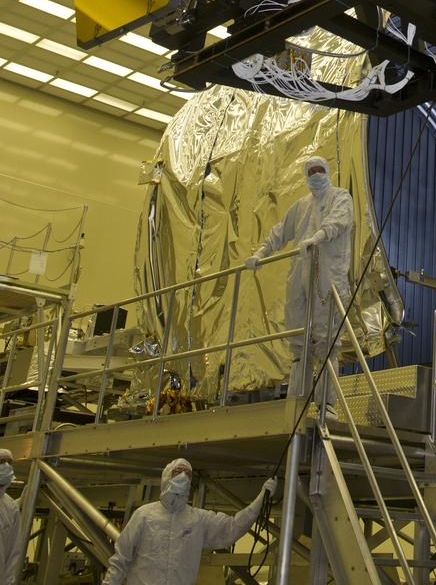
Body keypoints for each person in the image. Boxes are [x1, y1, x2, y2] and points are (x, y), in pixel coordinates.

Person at [246, 156, 354, 410]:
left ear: (327, 172)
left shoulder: (341, 197)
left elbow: (339, 221)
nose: (316, 175)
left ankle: (326, 403)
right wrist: (261, 253)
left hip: (328, 275)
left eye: (320, 170)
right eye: (311, 171)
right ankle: (297, 401)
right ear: (306, 176)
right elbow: (280, 231)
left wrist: (319, 236)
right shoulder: (301, 206)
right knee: (299, 337)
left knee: (326, 338)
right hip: (300, 275)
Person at [104, 457, 276, 584]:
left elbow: (232, 528)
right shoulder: (144, 515)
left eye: (187, 474)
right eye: (178, 472)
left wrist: (260, 501)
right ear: (166, 477)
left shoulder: (198, 520)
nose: (183, 477)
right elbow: (120, 560)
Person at [0, 449, 19, 585]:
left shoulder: (10, 506)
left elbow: (13, 552)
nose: (6, 466)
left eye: (9, 462)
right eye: (1, 462)